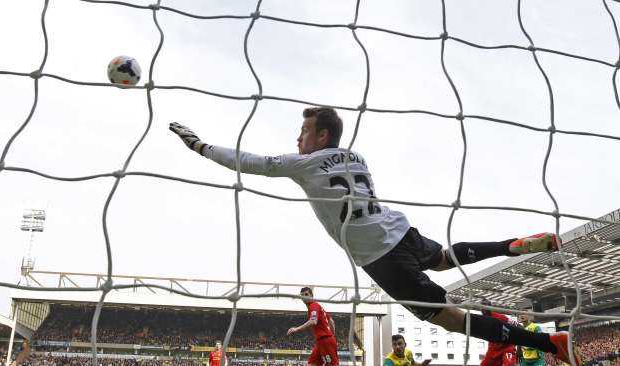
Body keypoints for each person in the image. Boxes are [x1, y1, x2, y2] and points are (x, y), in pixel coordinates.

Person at [169, 107, 583, 366]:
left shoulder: (304, 163)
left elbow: (251, 162)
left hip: (379, 255)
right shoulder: (357, 157)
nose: (298, 138)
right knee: (442, 257)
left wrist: (200, 146)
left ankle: (551, 342)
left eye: (304, 130)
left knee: (454, 321)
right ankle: (512, 245)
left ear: (321, 136)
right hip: (398, 228)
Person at [287, 287, 338, 366]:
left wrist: (296, 329)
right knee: (311, 363)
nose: (304, 297)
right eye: (302, 295)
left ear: (311, 295)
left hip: (325, 340)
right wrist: (333, 335)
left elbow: (313, 321)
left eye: (306, 294)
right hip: (320, 342)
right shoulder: (319, 307)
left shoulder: (313, 306)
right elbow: (332, 321)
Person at [479, 300, 518, 366]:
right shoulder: (481, 320)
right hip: (493, 349)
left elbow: (516, 325)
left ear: (490, 307)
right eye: (482, 306)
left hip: (507, 347)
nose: (484, 308)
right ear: (480, 308)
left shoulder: (500, 317)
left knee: (508, 364)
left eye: (486, 306)